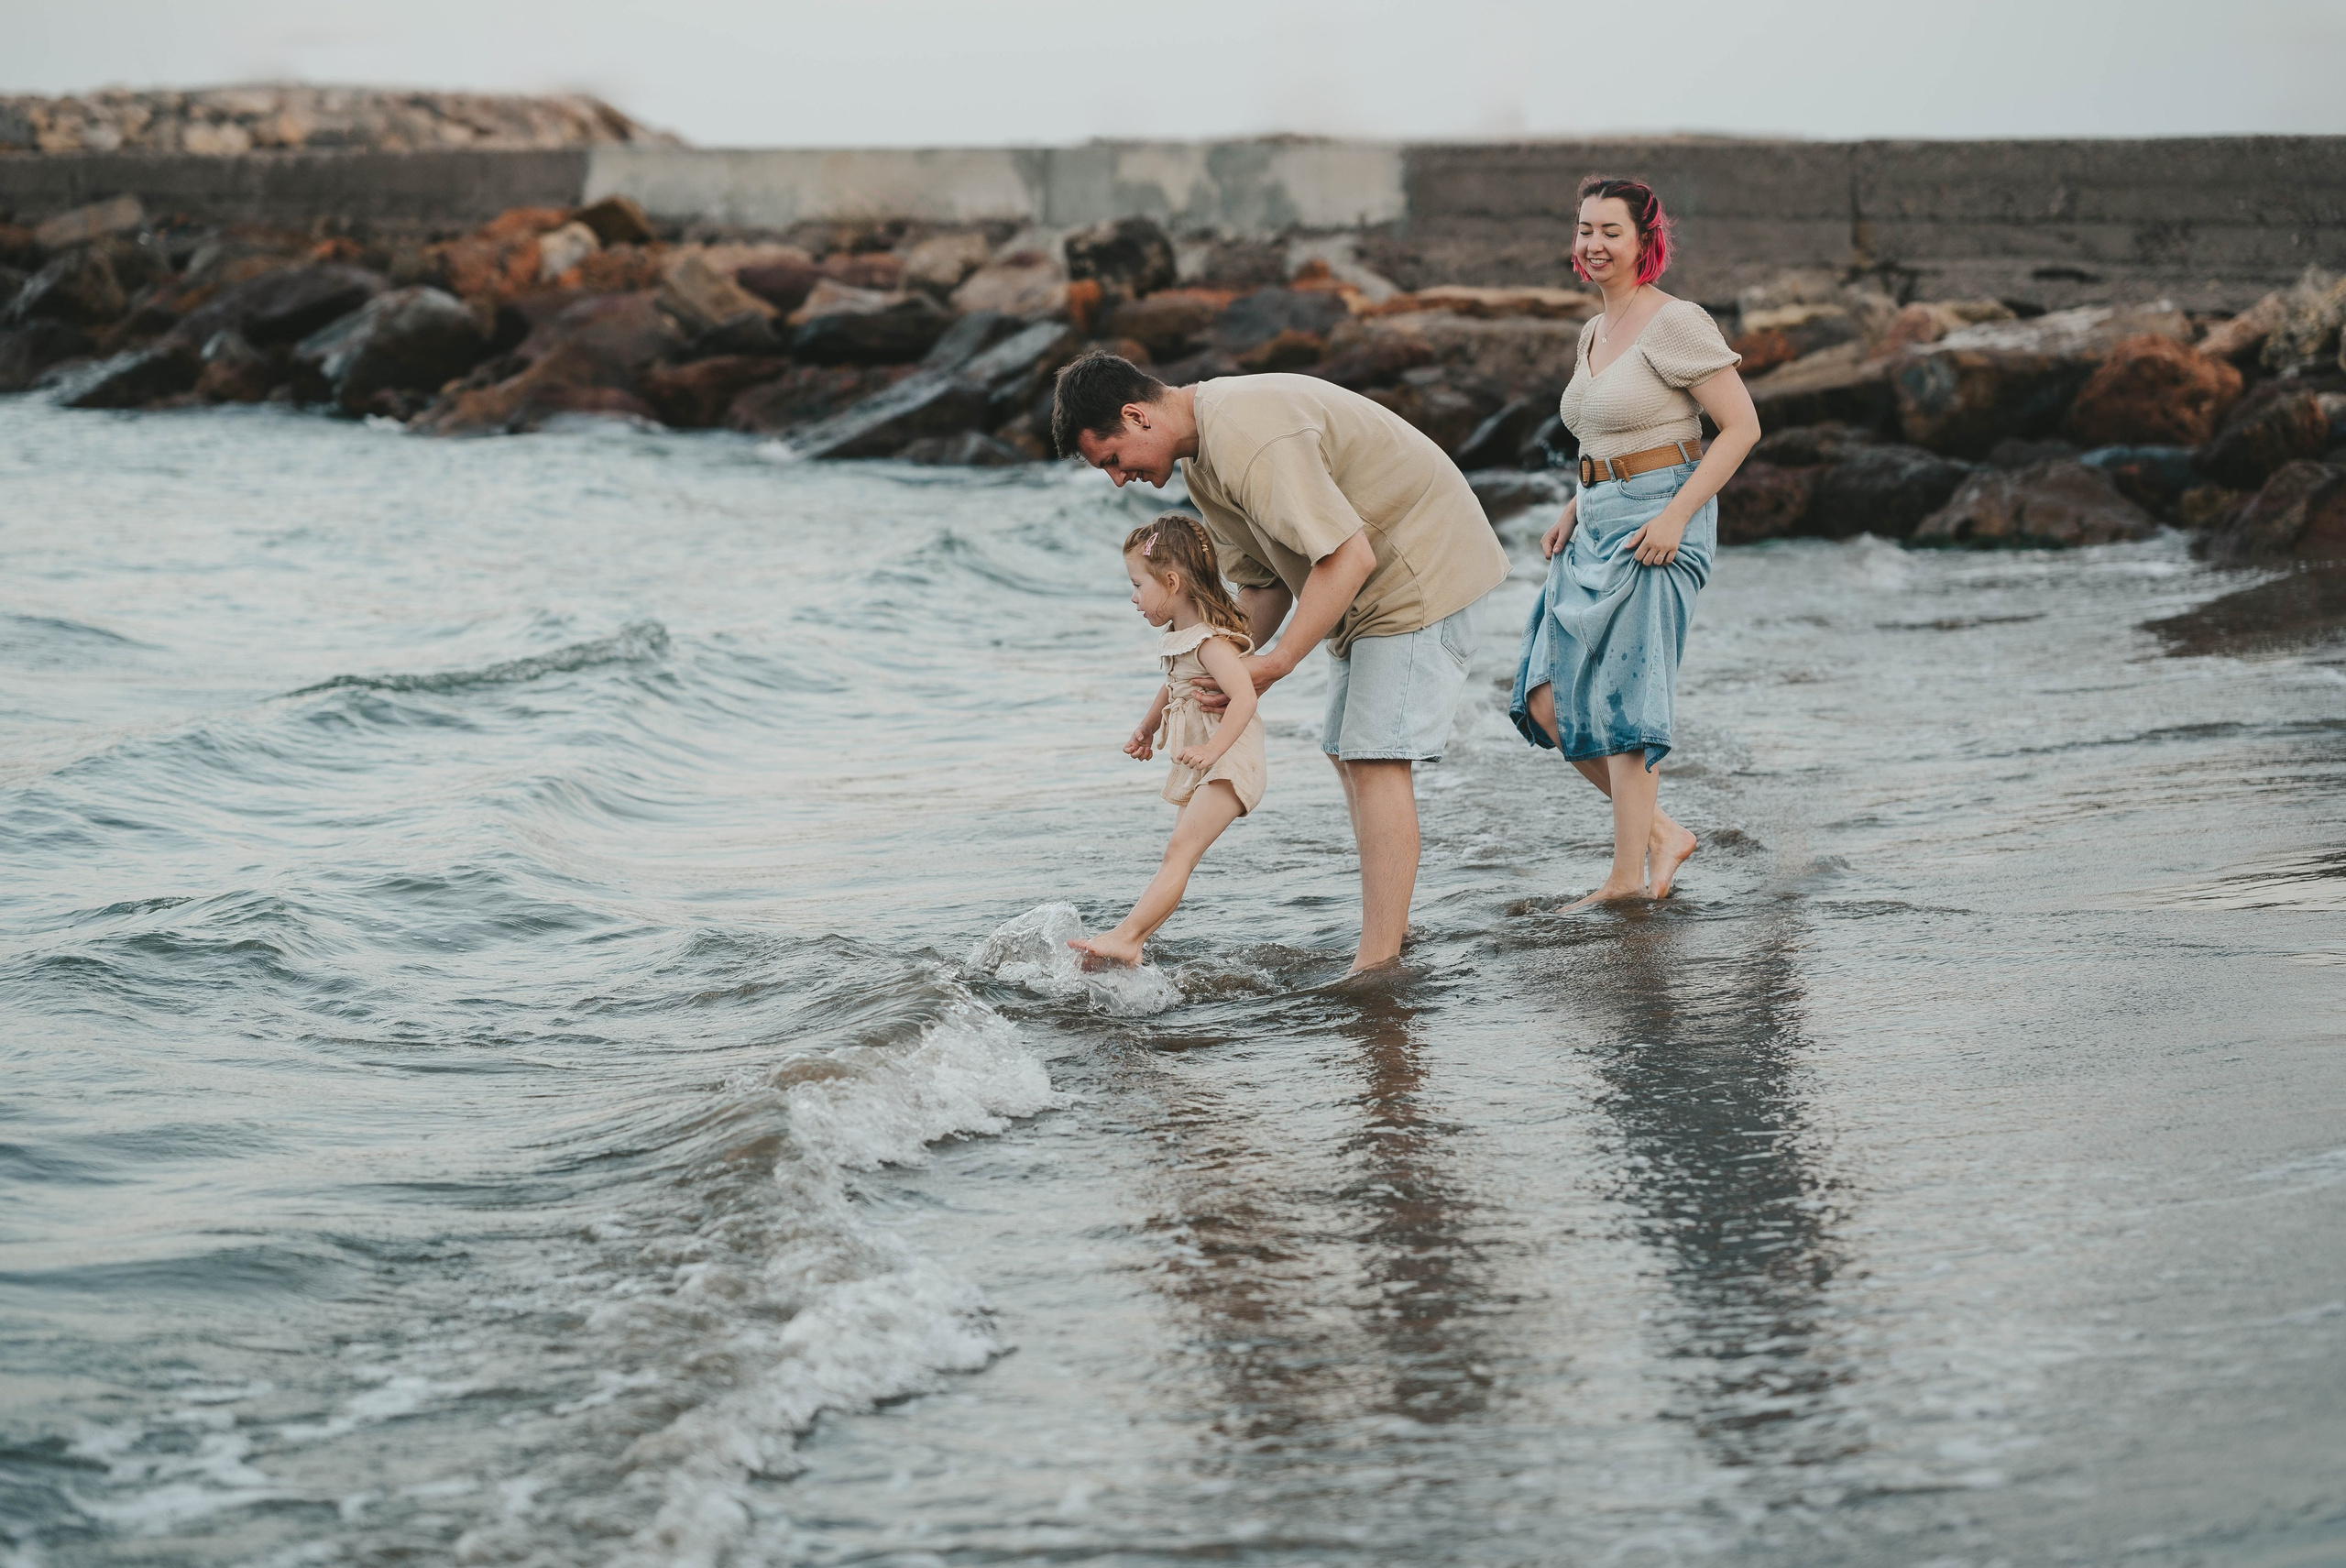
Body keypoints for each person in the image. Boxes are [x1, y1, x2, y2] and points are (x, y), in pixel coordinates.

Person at [1053, 353, 1509, 972]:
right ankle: (1387, 938)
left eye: (1111, 459)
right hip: (1368, 589)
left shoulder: (1249, 436)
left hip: (1420, 568)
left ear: (1136, 416)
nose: (1116, 478)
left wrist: (1282, 661)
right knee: (1347, 751)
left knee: (1377, 758)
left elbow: (1348, 558)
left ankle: (1377, 965)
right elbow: (1263, 586)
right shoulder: (1206, 461)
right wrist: (1221, 666)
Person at [1510, 174, 1760, 908]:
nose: (1593, 244)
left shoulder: (1677, 322)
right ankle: (1662, 833)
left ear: (1646, 240)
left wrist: (1677, 517)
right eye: (1585, 229)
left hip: (1660, 520)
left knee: (1624, 707)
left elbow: (1740, 427)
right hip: (1597, 516)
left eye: (1610, 231)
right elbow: (1603, 433)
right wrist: (1574, 502)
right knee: (1547, 699)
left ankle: (1624, 880)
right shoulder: (1593, 329)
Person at [1069, 515, 1268, 968]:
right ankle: (1131, 942)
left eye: (1138, 585)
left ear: (1172, 581)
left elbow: (1243, 698)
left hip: (1228, 761)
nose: (1134, 597)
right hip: (1205, 763)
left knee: (1179, 852)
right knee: (1179, 853)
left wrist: (1213, 753)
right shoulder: (1180, 638)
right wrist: (1148, 725)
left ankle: (1128, 939)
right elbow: (1173, 686)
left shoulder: (1211, 644)